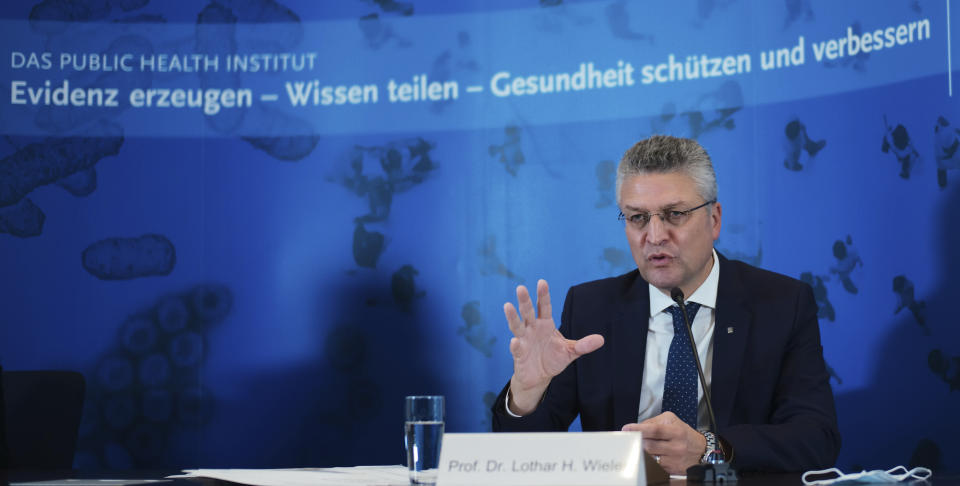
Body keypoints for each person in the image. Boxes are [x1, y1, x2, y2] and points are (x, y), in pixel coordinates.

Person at [491, 135, 840, 474]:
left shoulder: (780, 304)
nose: (655, 236)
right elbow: (523, 455)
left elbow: (816, 438)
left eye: (674, 214)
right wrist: (526, 393)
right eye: (637, 217)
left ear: (714, 219)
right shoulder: (591, 308)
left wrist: (709, 448)